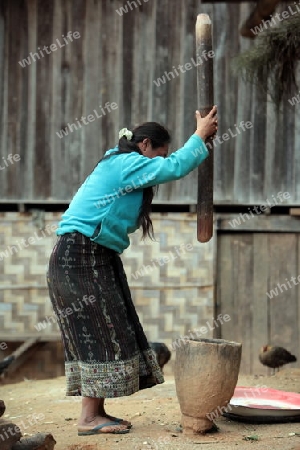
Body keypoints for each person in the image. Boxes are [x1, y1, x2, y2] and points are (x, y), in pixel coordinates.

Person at [47, 106, 218, 436]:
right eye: (158, 154)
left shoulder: (121, 162)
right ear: (144, 146)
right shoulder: (124, 163)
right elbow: (174, 168)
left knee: (109, 327)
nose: (158, 161)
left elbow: (167, 166)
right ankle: (88, 418)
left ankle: (95, 413)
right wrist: (199, 136)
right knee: (97, 332)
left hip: (92, 255)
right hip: (79, 256)